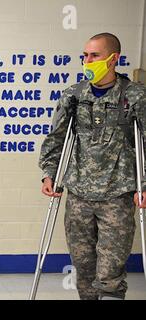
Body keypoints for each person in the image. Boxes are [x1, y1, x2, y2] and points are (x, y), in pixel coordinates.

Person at [39, 33, 146, 300]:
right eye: (85, 55)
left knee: (110, 273)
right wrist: (49, 173)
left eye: (94, 55)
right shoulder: (74, 96)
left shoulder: (135, 97)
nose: (87, 60)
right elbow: (57, 137)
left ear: (113, 59)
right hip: (78, 196)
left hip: (117, 196)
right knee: (84, 269)